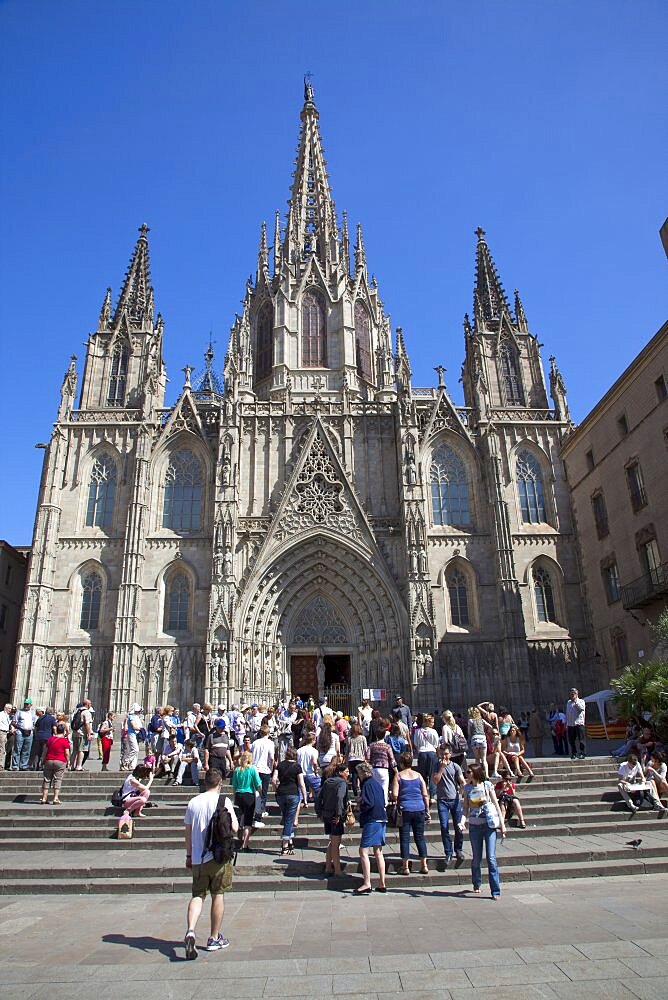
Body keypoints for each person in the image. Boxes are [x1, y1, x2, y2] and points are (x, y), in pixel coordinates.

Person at [184, 767, 239, 959]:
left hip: (198, 858)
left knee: (198, 895)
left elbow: (188, 834)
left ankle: (191, 930)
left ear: (204, 783)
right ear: (220, 783)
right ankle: (214, 937)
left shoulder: (193, 803)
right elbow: (234, 828)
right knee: (218, 895)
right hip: (218, 857)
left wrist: (189, 856)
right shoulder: (224, 801)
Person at [460, 763, 506, 899]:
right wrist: (462, 822)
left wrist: (502, 824)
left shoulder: (487, 785)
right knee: (476, 858)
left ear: (475, 773)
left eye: (469, 772)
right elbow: (465, 808)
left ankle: (495, 891)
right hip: (474, 826)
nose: (467, 774)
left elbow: (496, 805)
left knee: (491, 858)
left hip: (489, 825)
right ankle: (477, 883)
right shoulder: (467, 788)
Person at [391, 750, 430, 875]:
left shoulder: (398, 776)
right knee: (420, 837)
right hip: (419, 808)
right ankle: (424, 865)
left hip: (405, 809)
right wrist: (427, 810)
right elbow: (425, 794)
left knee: (405, 838)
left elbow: (395, 795)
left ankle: (405, 866)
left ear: (401, 763)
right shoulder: (418, 776)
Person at [354, 762, 387, 893]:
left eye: (358, 774)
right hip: (382, 817)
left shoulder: (367, 785)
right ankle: (382, 882)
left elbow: (369, 803)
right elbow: (382, 801)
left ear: (362, 773)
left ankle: (367, 882)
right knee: (378, 852)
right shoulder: (377, 784)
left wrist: (359, 805)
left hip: (372, 819)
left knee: (363, 851)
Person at [433, 743, 465, 868]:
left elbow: (462, 781)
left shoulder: (455, 766)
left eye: (446, 754)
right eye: (442, 754)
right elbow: (435, 780)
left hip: (454, 799)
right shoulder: (437, 765)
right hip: (442, 800)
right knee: (444, 826)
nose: (444, 756)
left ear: (450, 754)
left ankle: (458, 849)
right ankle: (448, 852)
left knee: (458, 826)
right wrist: (441, 768)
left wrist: (462, 791)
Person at [318, 761, 349, 877]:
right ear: (340, 772)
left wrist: (319, 812)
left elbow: (319, 797)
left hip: (326, 814)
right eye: (346, 771)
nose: (348, 774)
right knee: (336, 843)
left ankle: (328, 867)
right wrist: (340, 815)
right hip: (335, 816)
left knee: (332, 842)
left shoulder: (327, 782)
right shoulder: (342, 783)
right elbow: (340, 798)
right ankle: (337, 870)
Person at [275, 746, 307, 855]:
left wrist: (276, 789)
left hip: (281, 794)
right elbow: (301, 784)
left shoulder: (280, 765)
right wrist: (305, 798)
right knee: (289, 819)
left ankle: (290, 843)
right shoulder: (297, 767)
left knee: (287, 817)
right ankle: (284, 845)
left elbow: (274, 780)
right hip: (293, 793)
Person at [231, 750, 262, 851]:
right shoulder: (252, 769)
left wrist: (234, 797)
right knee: (248, 821)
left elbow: (234, 786)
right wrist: (260, 793)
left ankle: (240, 831)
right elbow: (258, 784)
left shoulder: (237, 770)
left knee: (242, 815)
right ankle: (245, 844)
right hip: (249, 794)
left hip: (239, 795)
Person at [40, 722, 71, 804]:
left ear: (56, 730)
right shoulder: (64, 741)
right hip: (60, 761)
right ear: (64, 731)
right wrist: (68, 762)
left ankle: (44, 798)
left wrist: (43, 759)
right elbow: (67, 753)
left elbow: (45, 751)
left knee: (47, 779)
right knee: (58, 779)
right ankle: (55, 798)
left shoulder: (50, 739)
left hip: (49, 760)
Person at [251, 723, 275, 825]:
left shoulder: (255, 743)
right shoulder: (270, 743)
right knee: (263, 792)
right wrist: (271, 768)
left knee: (255, 791)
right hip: (265, 769)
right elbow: (272, 757)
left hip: (255, 769)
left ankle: (255, 811)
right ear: (268, 733)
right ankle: (260, 813)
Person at [367, 720, 396, 804]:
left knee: (374, 789)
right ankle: (384, 806)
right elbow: (392, 759)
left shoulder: (372, 745)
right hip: (384, 769)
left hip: (374, 769)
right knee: (384, 789)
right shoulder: (387, 746)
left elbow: (367, 758)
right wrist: (396, 771)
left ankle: (375, 805)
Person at [413, 712, 439, 801]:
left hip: (422, 753)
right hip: (431, 752)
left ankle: (423, 793)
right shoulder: (433, 731)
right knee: (432, 774)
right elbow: (436, 744)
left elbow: (415, 743)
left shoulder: (417, 731)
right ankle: (432, 795)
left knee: (422, 775)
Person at [345, 720, 368, 797]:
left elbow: (347, 751)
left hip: (352, 759)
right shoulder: (363, 738)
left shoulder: (349, 739)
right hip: (360, 758)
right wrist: (367, 758)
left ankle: (355, 795)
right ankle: (362, 793)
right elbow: (365, 749)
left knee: (354, 777)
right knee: (362, 777)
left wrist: (346, 760)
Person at [12, 698, 35, 771]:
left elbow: (34, 722)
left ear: (31, 705)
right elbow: (13, 722)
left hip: (29, 733)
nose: (26, 705)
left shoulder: (32, 713)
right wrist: (20, 727)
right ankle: (15, 765)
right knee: (17, 749)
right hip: (20, 732)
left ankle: (23, 765)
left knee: (26, 750)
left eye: (27, 704)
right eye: (25, 704)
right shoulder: (19, 712)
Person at [296, 731, 321, 801]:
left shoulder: (299, 750)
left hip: (300, 774)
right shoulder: (314, 751)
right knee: (319, 790)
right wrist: (316, 771)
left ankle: (298, 809)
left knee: (299, 795)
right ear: (313, 740)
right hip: (310, 773)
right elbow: (314, 762)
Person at [467, 707, 491, 777]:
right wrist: (487, 731)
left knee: (477, 758)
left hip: (475, 738)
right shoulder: (482, 720)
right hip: (483, 738)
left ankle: (478, 774)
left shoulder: (470, 721)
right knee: (484, 759)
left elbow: (469, 732)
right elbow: (490, 726)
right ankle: (487, 775)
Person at [566, 688, 586, 760]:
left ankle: (582, 753)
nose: (572, 694)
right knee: (571, 740)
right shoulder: (568, 702)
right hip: (570, 724)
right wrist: (567, 723)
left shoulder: (581, 701)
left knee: (581, 739)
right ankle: (574, 753)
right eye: (571, 693)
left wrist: (575, 702)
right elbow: (568, 713)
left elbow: (581, 709)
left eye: (573, 693)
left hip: (579, 723)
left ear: (577, 694)